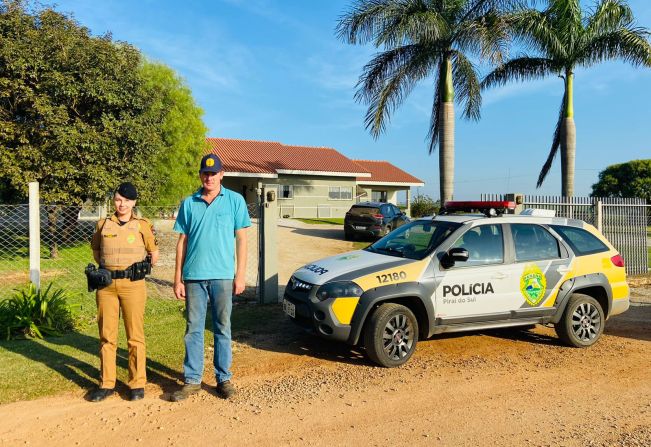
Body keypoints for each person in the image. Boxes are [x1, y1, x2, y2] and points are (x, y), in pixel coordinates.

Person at [170, 153, 251, 402]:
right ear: (200, 175)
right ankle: (192, 380)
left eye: (213, 173)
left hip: (223, 277)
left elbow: (242, 239)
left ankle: (223, 378)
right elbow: (182, 241)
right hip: (194, 277)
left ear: (221, 175)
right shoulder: (189, 203)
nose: (209, 177)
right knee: (193, 329)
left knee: (222, 328)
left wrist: (240, 275)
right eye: (205, 173)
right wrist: (177, 278)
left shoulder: (235, 201)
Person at [88, 182, 159, 402]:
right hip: (107, 286)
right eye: (118, 199)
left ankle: (137, 383)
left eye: (127, 200)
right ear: (114, 200)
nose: (122, 204)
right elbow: (96, 251)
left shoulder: (142, 225)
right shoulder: (103, 225)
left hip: (133, 286)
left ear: (134, 202)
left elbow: (153, 253)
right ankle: (107, 383)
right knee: (107, 336)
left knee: (134, 336)